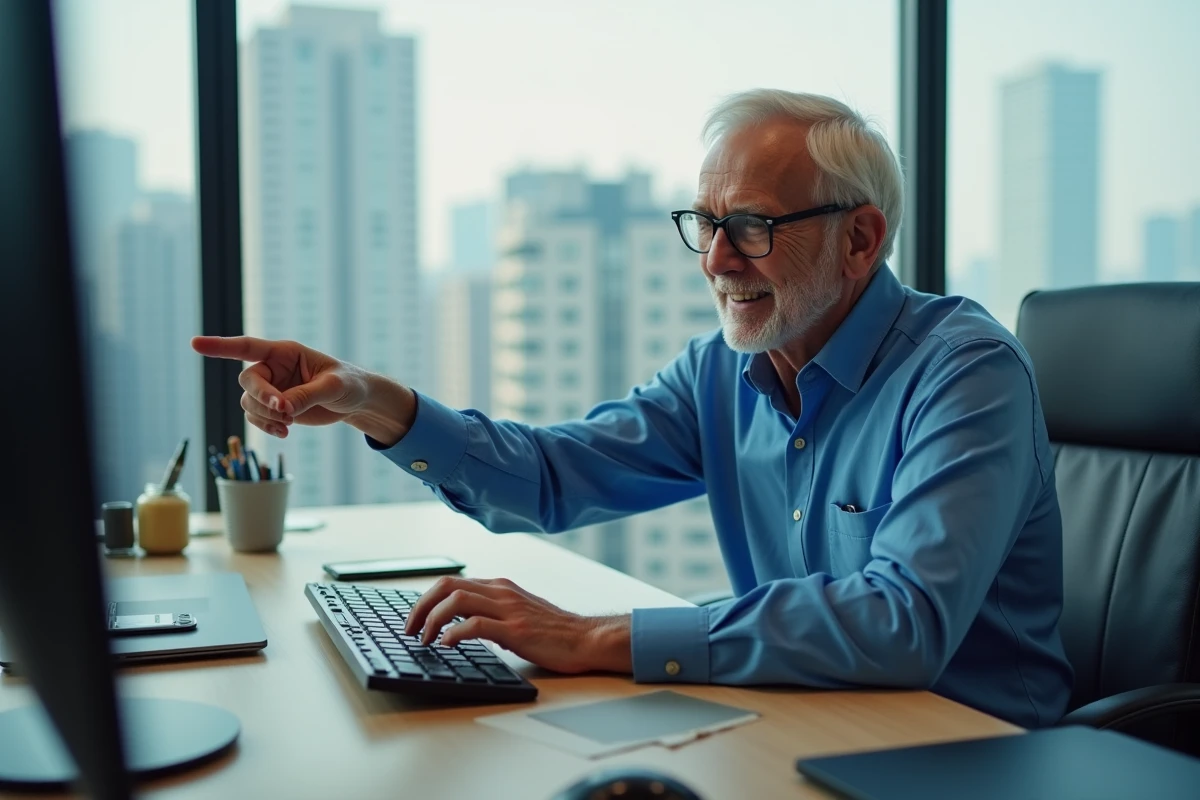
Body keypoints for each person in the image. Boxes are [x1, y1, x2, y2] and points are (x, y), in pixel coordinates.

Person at [193, 89, 1073, 728]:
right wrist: (369, 401)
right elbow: (550, 478)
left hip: (976, 750)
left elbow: (900, 625)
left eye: (754, 227)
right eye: (706, 223)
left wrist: (597, 635)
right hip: (812, 724)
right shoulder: (722, 372)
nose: (716, 261)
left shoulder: (966, 373)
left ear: (861, 239)